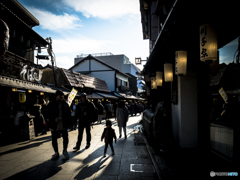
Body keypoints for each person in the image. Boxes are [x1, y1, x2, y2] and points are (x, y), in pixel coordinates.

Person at [47, 90, 72, 160]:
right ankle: (56, 152)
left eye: (62, 96)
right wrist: (54, 119)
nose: (62, 97)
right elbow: (47, 114)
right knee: (54, 139)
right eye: (60, 96)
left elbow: (69, 114)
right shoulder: (51, 104)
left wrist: (70, 123)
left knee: (66, 137)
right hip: (54, 124)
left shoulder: (65, 104)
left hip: (63, 123)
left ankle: (65, 150)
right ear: (56, 96)